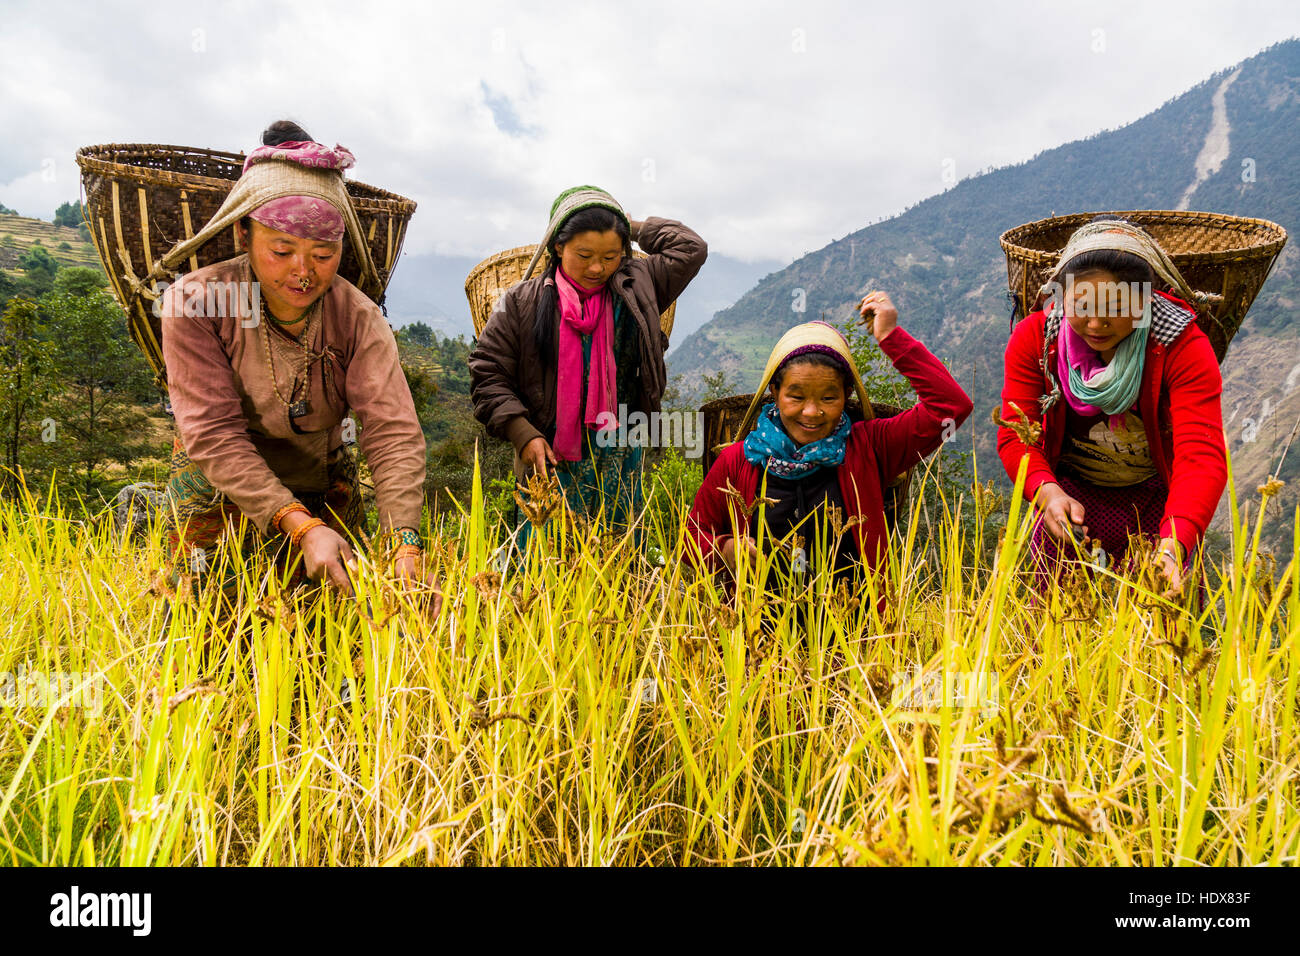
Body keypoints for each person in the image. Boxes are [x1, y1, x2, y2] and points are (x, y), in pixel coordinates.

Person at [158, 120, 434, 610]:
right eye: (281, 251)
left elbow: (391, 432)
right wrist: (298, 523)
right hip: (220, 481)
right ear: (243, 234)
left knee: (326, 624)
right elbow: (213, 433)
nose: (303, 271)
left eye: (323, 254)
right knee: (210, 623)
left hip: (321, 473)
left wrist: (404, 541)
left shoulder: (357, 318)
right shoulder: (197, 302)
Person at [685, 292, 973, 607]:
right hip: (756, 641)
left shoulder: (871, 447)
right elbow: (691, 540)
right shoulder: (738, 460)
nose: (811, 412)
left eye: (828, 398)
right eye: (796, 396)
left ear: (847, 395)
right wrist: (726, 549)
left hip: (855, 639)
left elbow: (951, 406)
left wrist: (891, 337)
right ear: (775, 392)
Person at [468, 186, 707, 553]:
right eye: (585, 255)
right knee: (546, 567)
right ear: (558, 247)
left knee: (619, 559)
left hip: (621, 454)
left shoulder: (638, 286)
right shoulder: (521, 302)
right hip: (548, 456)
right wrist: (522, 433)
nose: (598, 268)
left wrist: (628, 223)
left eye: (611, 255)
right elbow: (487, 372)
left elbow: (691, 248)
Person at [996, 217, 1227, 596]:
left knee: (1162, 630)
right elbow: (1016, 434)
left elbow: (1200, 455)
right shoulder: (1037, 339)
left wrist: (1173, 545)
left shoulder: (1180, 344)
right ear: (1061, 295)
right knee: (1058, 634)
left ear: (1144, 302)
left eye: (1118, 307)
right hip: (1071, 502)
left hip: (1159, 503)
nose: (1097, 322)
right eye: (1081, 305)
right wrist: (1047, 492)